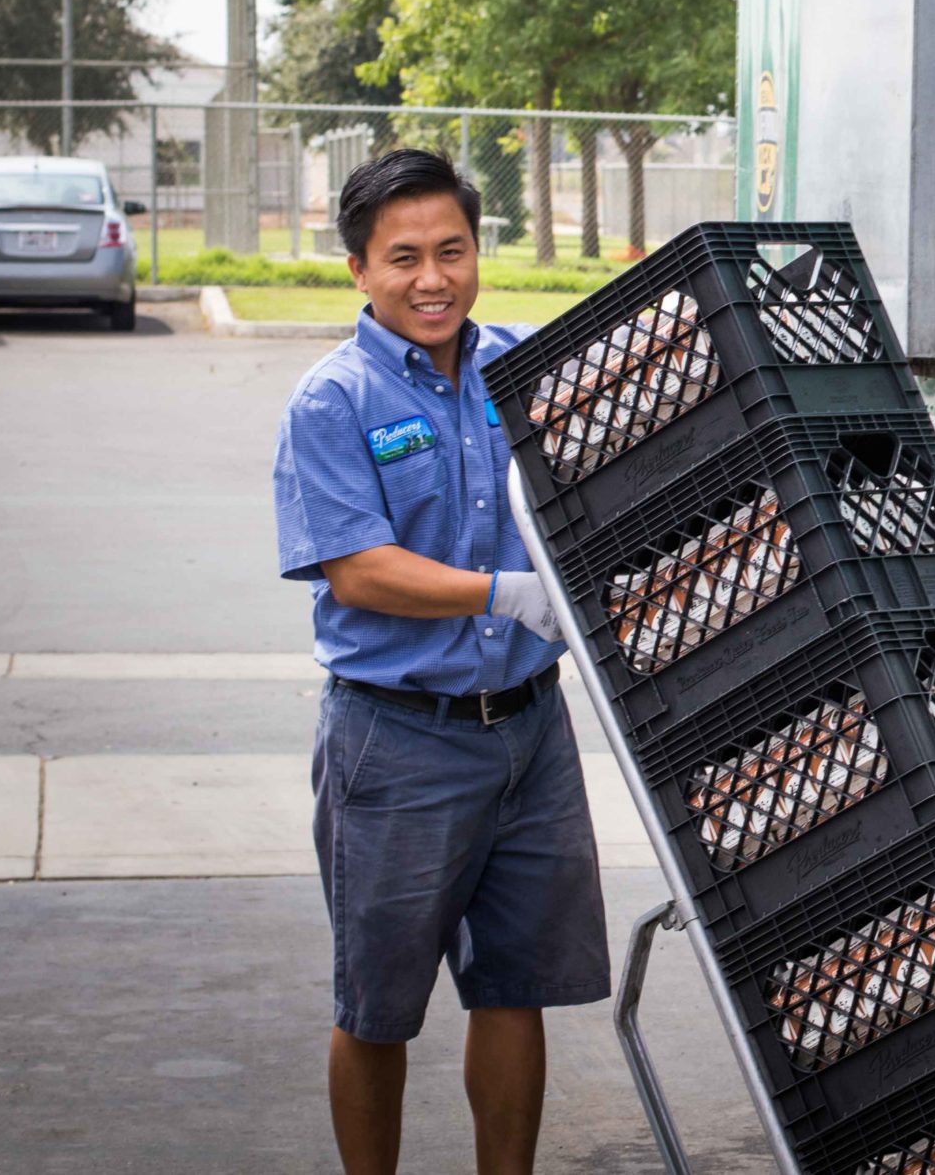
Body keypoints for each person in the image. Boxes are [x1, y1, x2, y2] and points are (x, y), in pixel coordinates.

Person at [273, 148, 608, 1175]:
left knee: (516, 987)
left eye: (452, 251)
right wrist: (503, 592)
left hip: (529, 732)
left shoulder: (522, 370)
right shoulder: (334, 402)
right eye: (403, 257)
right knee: (378, 1005)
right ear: (358, 271)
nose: (433, 279)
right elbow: (360, 570)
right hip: (397, 742)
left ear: (476, 252)